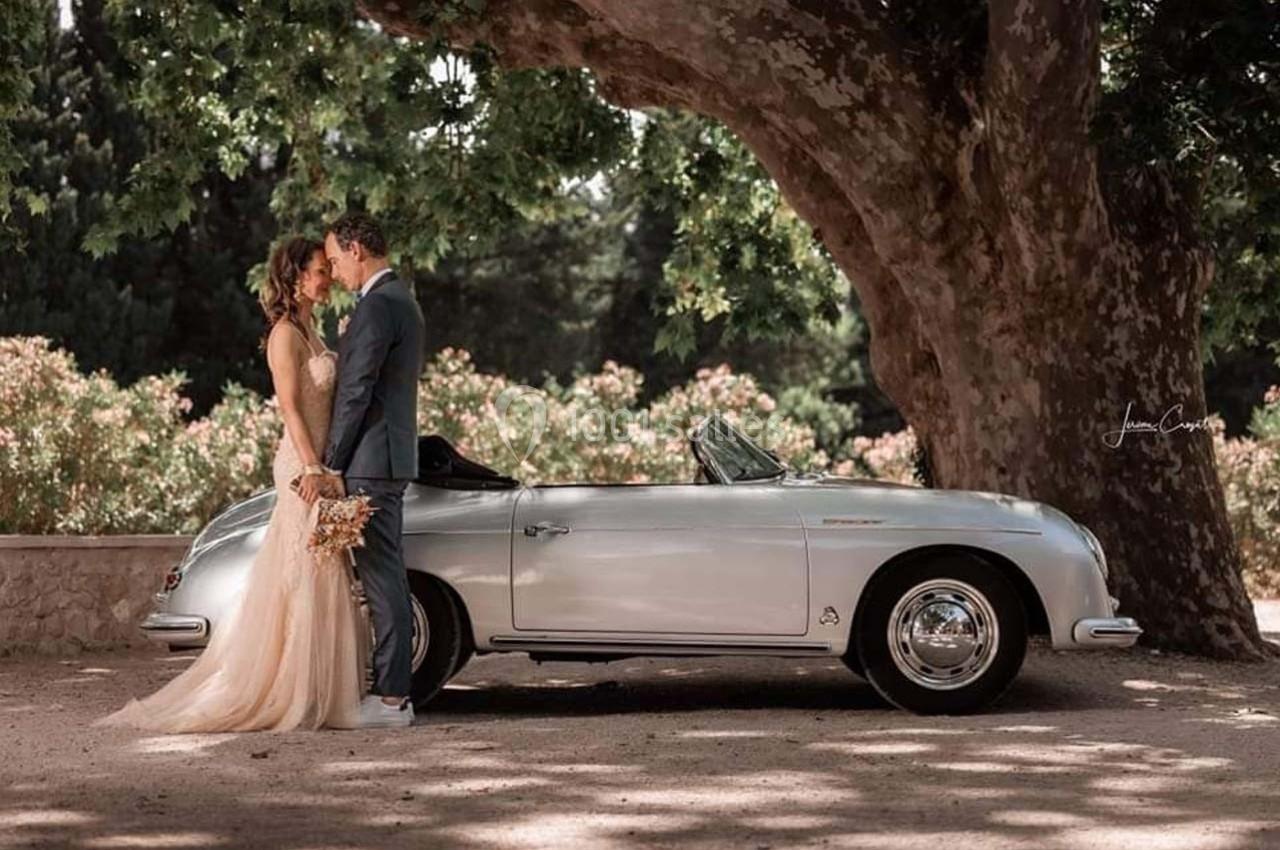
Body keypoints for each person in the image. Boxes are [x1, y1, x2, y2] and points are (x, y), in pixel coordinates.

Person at [96, 237, 365, 733]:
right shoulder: (284, 335)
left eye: (329, 269)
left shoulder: (314, 329)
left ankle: (318, 691)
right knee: (306, 571)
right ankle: (295, 693)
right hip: (301, 468)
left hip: (323, 465)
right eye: (321, 270)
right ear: (296, 277)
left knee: (320, 570)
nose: (328, 277)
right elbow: (289, 407)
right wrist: (312, 468)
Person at [314, 211, 426, 729]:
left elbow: (356, 392)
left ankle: (391, 700)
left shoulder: (379, 306)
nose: (334, 272)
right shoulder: (396, 300)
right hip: (385, 459)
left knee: (383, 582)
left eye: (335, 260)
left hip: (370, 463)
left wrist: (332, 463)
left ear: (357, 249)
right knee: (384, 579)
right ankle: (390, 695)